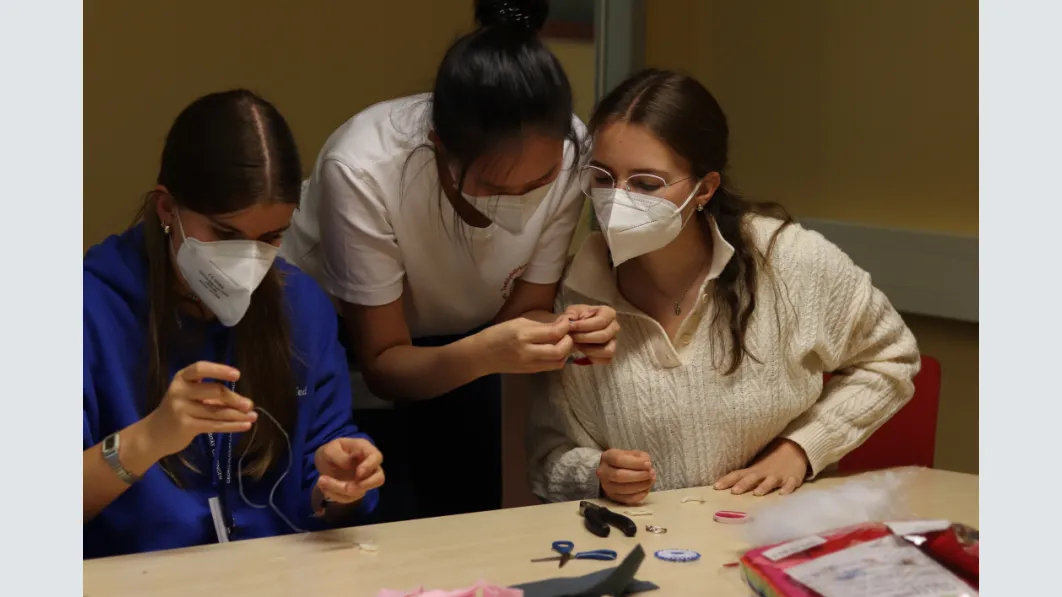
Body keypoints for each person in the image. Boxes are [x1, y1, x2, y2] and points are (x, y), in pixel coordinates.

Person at [280, 0, 617, 521]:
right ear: (439, 146)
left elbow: (523, 315)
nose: (523, 202)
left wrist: (566, 331)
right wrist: (487, 353)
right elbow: (386, 364)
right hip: (338, 342)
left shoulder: (569, 153)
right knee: (365, 514)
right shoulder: (364, 168)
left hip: (472, 342)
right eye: (496, 186)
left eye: (539, 185)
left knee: (465, 520)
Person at [527, 69, 921, 505]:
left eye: (645, 184)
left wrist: (802, 449)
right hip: (638, 543)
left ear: (704, 189)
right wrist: (597, 476)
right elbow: (546, 458)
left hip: (771, 534)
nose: (617, 200)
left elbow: (892, 358)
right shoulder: (572, 293)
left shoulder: (787, 260)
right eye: (602, 178)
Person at [83, 90, 384, 559]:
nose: (247, 261)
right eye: (226, 235)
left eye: (270, 238)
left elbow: (319, 480)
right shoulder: (86, 310)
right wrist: (148, 439)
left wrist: (341, 486)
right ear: (167, 209)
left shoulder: (301, 305)